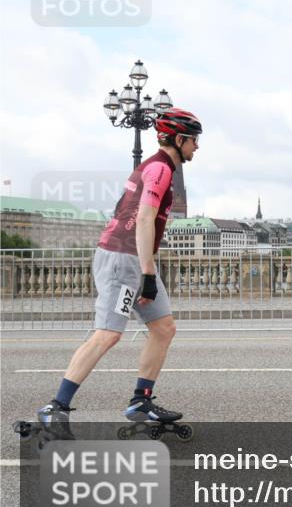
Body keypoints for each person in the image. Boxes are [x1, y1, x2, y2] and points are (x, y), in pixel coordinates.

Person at [34, 108, 202, 439]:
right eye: (193, 140)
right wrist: (148, 274)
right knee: (108, 334)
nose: (196, 147)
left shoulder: (156, 168)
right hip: (123, 260)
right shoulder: (159, 168)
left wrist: (145, 267)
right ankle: (55, 407)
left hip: (134, 258)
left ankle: (141, 400)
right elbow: (144, 219)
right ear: (179, 139)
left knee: (164, 328)